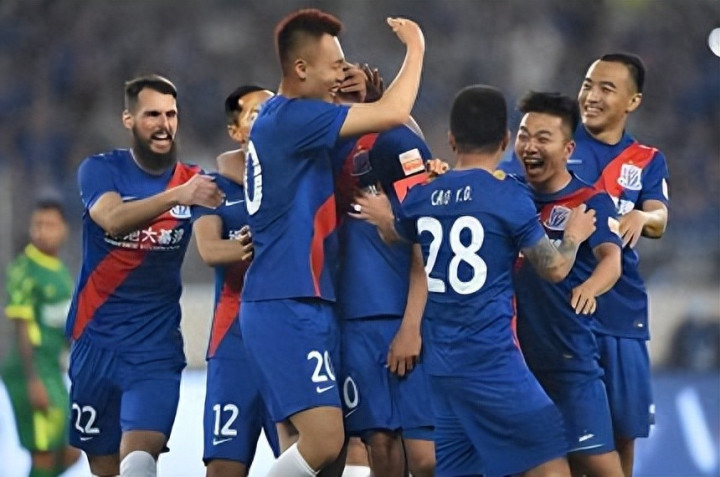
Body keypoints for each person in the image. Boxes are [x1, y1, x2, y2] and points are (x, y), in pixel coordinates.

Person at [356, 84, 597, 476]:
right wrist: (573, 235)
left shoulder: (423, 197)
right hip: (493, 364)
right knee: (552, 466)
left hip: (443, 371)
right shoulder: (508, 197)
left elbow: (395, 232)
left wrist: (385, 214)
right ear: (505, 140)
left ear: (451, 140)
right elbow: (554, 269)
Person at [239, 8, 425, 476]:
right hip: (287, 300)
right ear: (302, 68)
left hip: (304, 299)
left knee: (320, 452)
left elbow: (396, 133)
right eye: (336, 66)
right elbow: (394, 114)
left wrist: (369, 101)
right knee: (325, 442)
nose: (343, 74)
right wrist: (416, 47)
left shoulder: (289, 119)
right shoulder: (294, 118)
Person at [64, 74, 224, 477]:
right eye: (152, 114)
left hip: (155, 349)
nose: (164, 124)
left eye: (171, 114)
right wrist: (176, 196)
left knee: (138, 462)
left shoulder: (196, 180)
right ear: (129, 120)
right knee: (105, 469)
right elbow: (112, 219)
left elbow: (236, 209)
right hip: (95, 344)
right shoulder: (100, 170)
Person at [511, 91, 624, 477]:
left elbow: (611, 260)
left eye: (542, 138)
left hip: (568, 360)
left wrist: (590, 287)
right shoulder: (509, 196)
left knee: (596, 463)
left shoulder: (590, 201)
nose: (529, 146)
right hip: (514, 365)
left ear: (568, 148)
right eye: (524, 135)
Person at [573, 53, 670, 476]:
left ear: (633, 101)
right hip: (565, 312)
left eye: (606, 88)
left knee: (623, 432)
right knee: (571, 439)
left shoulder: (647, 159)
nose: (591, 96)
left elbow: (660, 217)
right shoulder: (558, 144)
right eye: (587, 85)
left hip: (621, 313)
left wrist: (642, 217)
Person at [338, 116, 436, 475]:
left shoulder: (397, 143)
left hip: (407, 315)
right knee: (378, 440)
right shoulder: (325, 146)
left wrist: (411, 326)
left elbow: (425, 242)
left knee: (426, 456)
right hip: (354, 321)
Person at [192, 85, 279, 477]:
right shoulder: (214, 188)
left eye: (272, 110)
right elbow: (210, 250)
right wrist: (261, 244)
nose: (267, 118)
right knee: (224, 467)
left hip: (288, 341)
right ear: (235, 131)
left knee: (310, 460)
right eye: (255, 113)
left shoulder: (296, 179)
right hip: (233, 343)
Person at [1, 199, 81, 477]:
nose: (42, 231)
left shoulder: (59, 271)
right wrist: (33, 380)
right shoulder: (25, 269)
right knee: (44, 453)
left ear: (64, 229)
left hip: (51, 370)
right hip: (29, 370)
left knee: (71, 451)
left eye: (49, 225)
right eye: (37, 225)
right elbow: (22, 325)